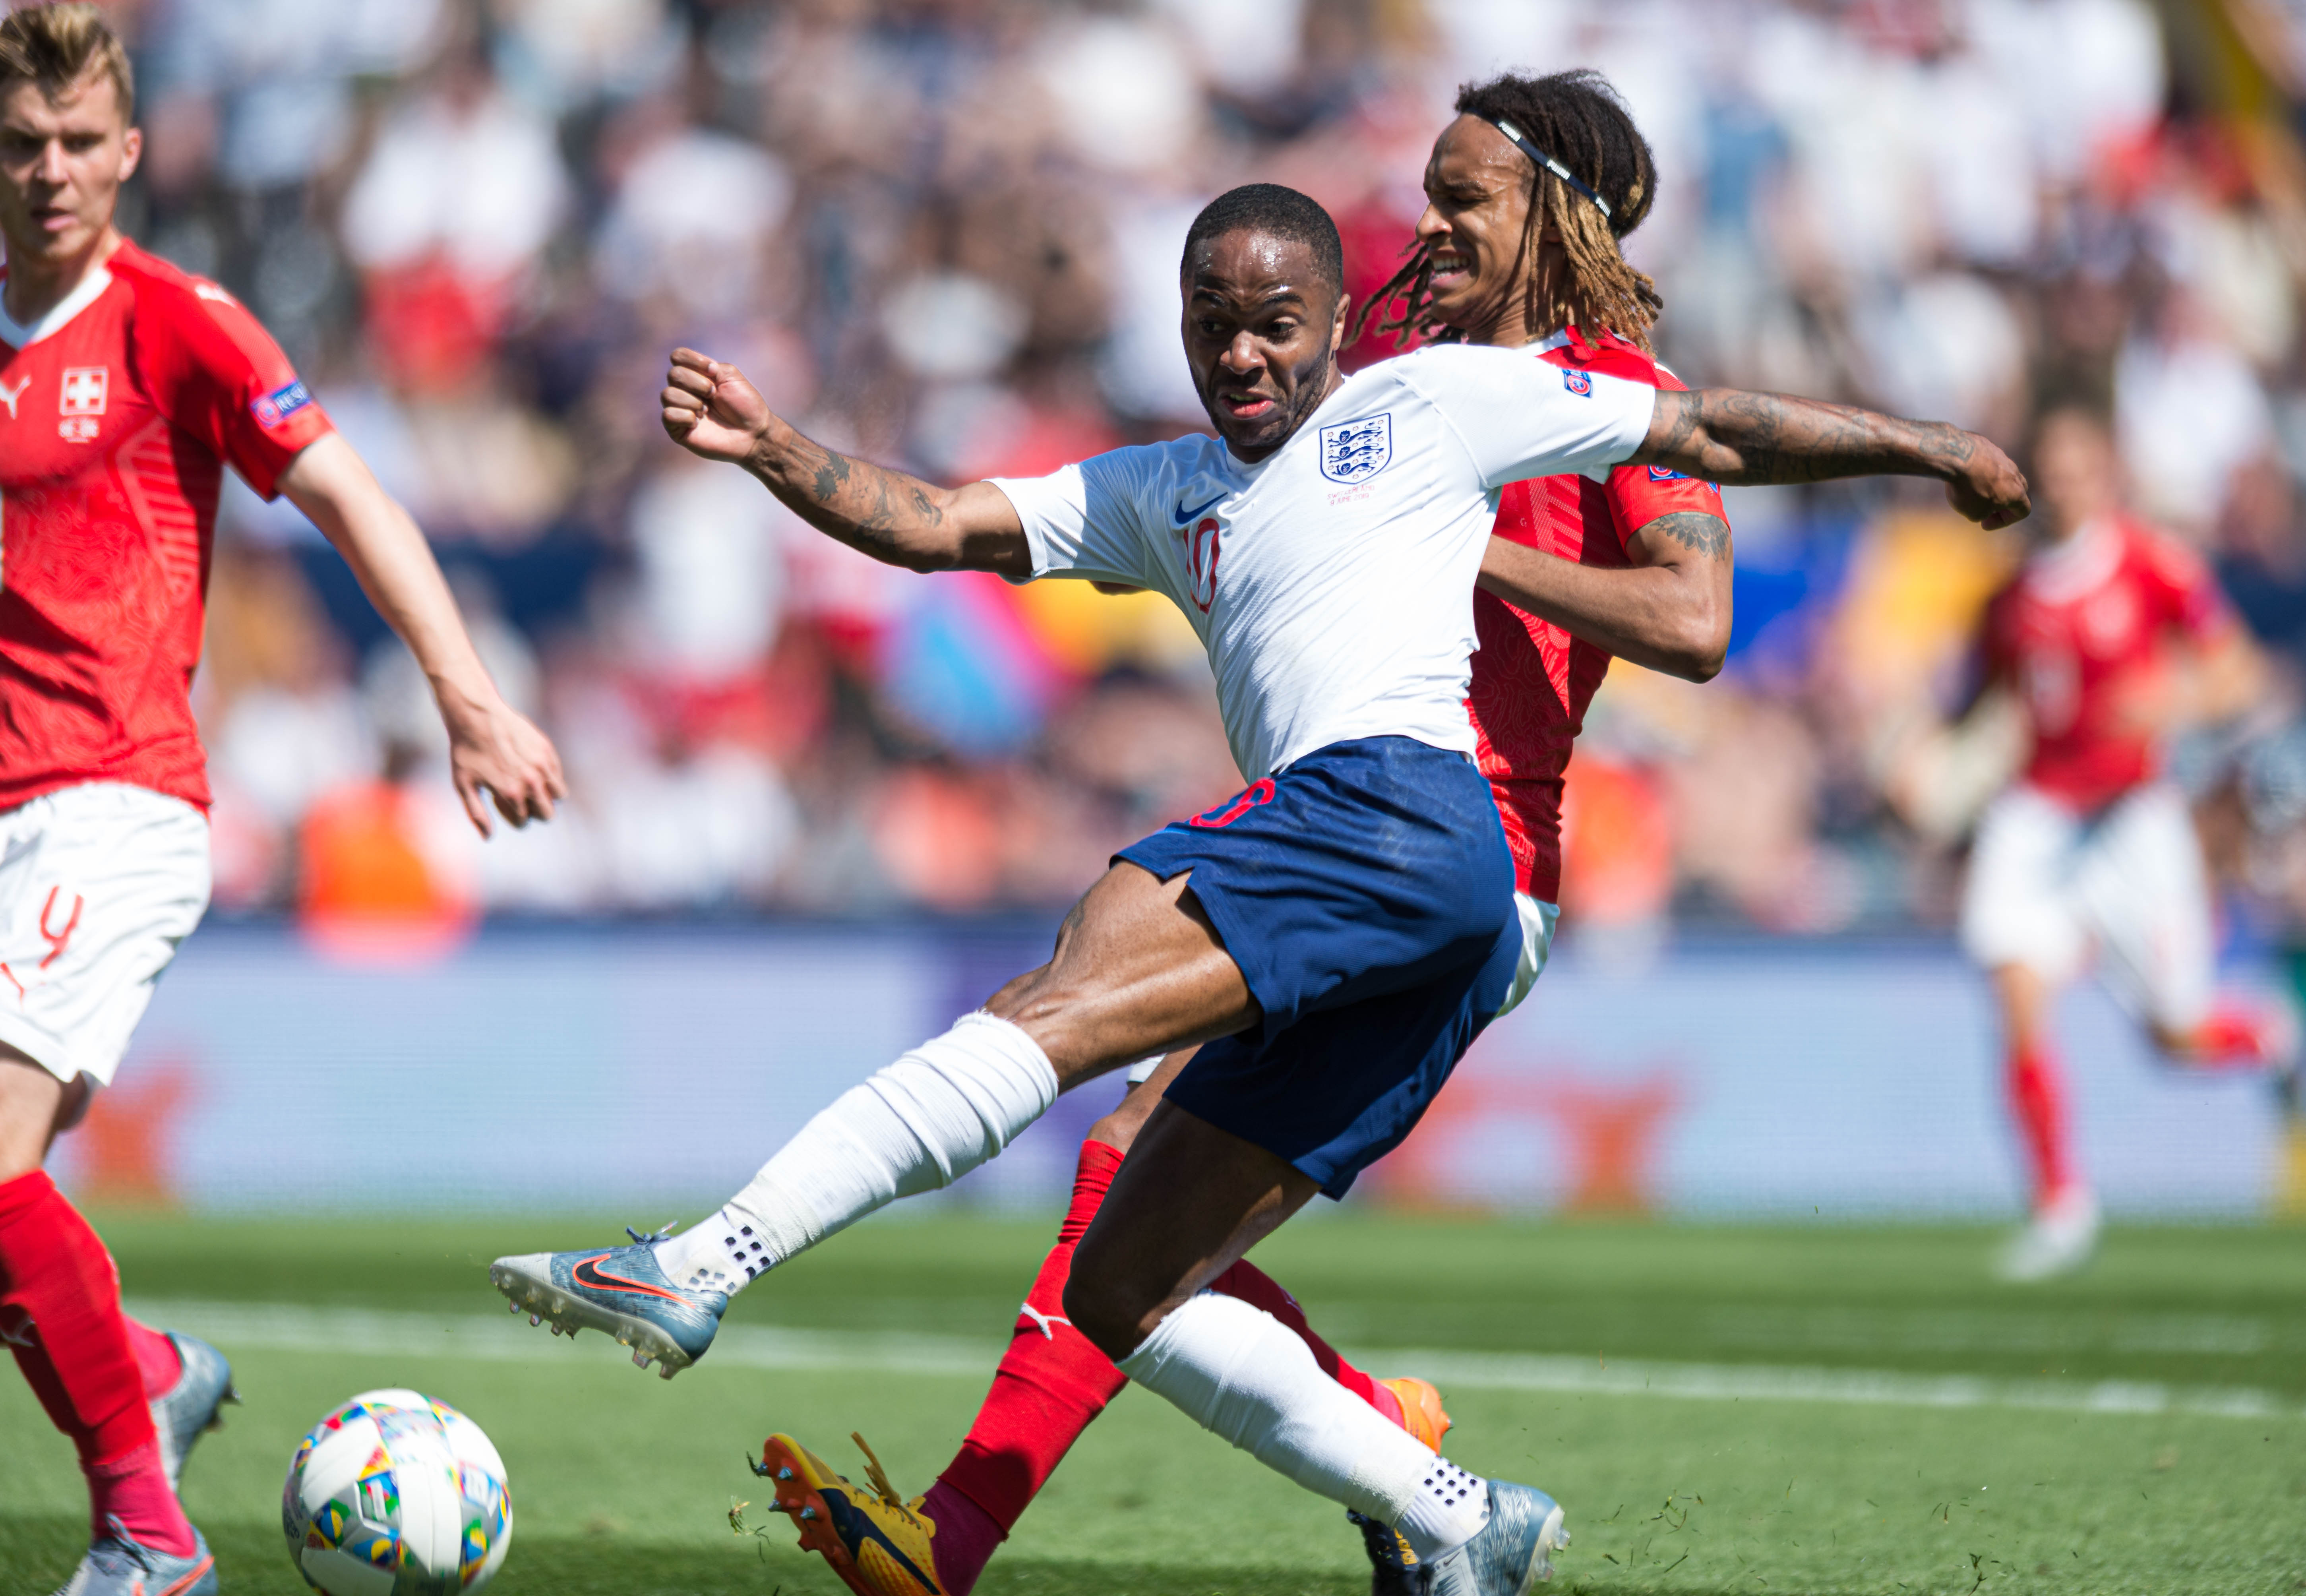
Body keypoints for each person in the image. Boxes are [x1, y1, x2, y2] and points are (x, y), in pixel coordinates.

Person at [493, 180, 2023, 1595]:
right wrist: (774, 449)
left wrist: (1929, 447)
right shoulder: (1158, 489)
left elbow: (1708, 432)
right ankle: (1460, 1516)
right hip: (1421, 914)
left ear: (1333, 320)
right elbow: (939, 524)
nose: (1240, 352)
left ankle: (701, 1262)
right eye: (1210, 321)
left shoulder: (1428, 402)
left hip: (1392, 809)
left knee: (1060, 994)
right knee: (1123, 1284)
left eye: (1274, 322)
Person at [753, 68, 1748, 1596]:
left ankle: (960, 1532)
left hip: (1464, 848)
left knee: (1123, 1173)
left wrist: (1464, 546)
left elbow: (1691, 619)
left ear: (1554, 216)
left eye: (1463, 196)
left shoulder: (1617, 397)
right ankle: (1385, 1459)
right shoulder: (1401, 382)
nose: (1428, 222)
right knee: (1135, 1197)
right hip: (1348, 824)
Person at [0, 10, 567, 1594]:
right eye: (22, 143)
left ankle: (149, 1534)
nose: (51, 171)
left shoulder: (174, 323)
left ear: (130, 150)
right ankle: (152, 1373)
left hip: (107, 800)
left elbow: (350, 494)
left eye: (79, 142)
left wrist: (465, 696)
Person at [1958, 405, 2284, 1282]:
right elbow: (1977, 704)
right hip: (2037, 815)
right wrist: (1928, 760)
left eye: (2077, 466)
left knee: (2176, 1037)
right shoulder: (2010, 597)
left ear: (2105, 472)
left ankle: (2275, 1042)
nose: (2063, 484)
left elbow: (2241, 671)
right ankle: (2060, 1206)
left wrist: (2175, 701)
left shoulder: (2150, 564)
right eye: (2050, 468)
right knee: (2014, 991)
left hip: (2132, 818)